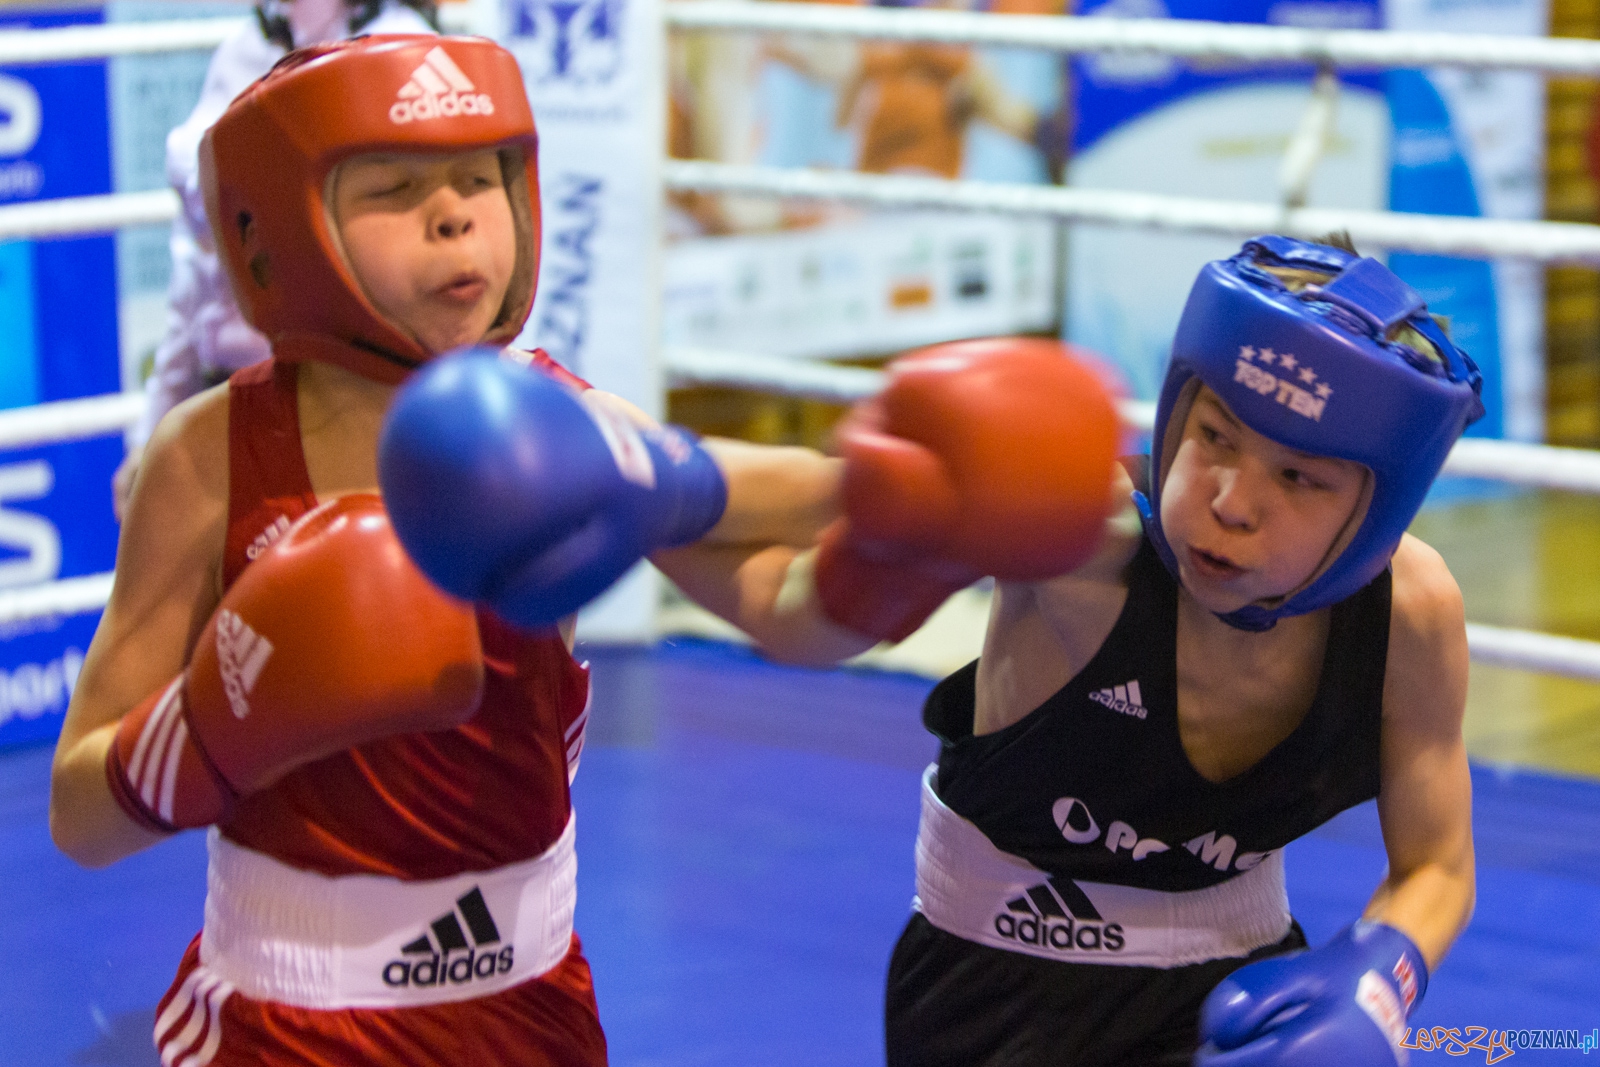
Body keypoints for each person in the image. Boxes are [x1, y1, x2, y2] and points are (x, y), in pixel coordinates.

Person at [383, 233, 1480, 1067]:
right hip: (998, 1001)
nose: (1231, 500)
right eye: (1214, 437)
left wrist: (1381, 981)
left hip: (1234, 992)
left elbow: (1435, 864)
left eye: (1298, 478)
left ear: (1376, 514)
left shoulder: (1409, 614)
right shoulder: (1086, 545)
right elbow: (852, 514)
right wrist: (648, 477)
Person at [48, 33, 847, 1065]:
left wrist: (909, 527)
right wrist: (214, 728)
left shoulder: (557, 427)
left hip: (530, 1010)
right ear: (275, 233)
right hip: (278, 1022)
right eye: (393, 186)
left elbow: (784, 607)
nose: (454, 214)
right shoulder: (213, 458)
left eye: (479, 178)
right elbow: (79, 815)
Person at [112, 0, 438, 520]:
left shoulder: (408, 52)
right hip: (232, 395)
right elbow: (200, 268)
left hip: (354, 401)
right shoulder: (242, 50)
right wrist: (154, 430)